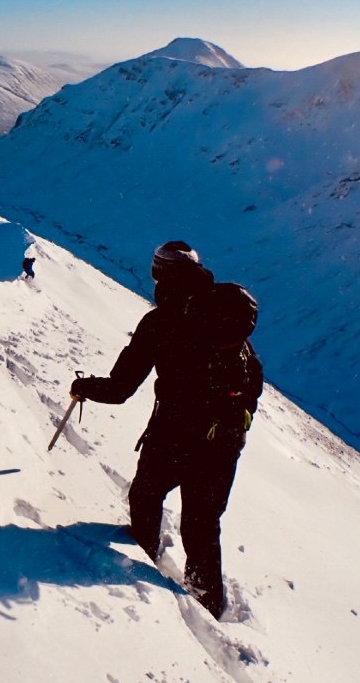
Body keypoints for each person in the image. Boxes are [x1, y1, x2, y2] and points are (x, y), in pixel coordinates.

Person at [69, 241, 263, 618]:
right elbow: (252, 378)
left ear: (159, 275)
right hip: (221, 443)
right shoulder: (222, 313)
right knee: (202, 527)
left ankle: (143, 561)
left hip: (172, 436)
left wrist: (84, 387)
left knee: (145, 497)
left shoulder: (160, 322)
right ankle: (208, 606)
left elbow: (121, 388)